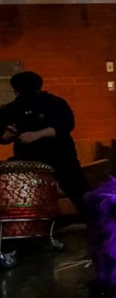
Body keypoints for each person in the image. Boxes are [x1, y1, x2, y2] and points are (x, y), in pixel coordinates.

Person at [0, 71, 90, 215]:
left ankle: (95, 224)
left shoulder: (54, 103)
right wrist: (8, 135)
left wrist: (37, 135)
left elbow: (66, 125)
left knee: (79, 191)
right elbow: (3, 137)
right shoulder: (10, 109)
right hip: (28, 160)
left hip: (60, 156)